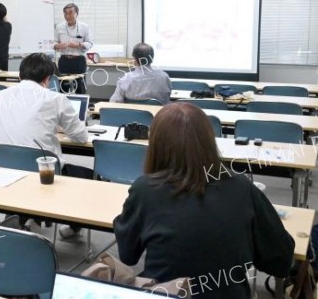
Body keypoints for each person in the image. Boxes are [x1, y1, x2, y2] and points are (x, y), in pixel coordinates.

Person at [113, 102, 294, 298]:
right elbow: (281, 260)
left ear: (156, 144)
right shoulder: (242, 187)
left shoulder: (144, 190)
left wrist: (124, 219)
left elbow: (128, 255)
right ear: (209, 140)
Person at [0, 53, 88, 237]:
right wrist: (59, 128)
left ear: (20, 75)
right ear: (47, 79)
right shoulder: (55, 99)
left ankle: (25, 219)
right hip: (45, 174)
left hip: (6, 173)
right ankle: (72, 226)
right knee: (92, 178)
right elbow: (81, 137)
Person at [54, 3, 93, 94]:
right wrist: (58, 46)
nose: (68, 15)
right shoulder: (59, 27)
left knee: (80, 87)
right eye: (65, 13)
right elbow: (53, 43)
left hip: (79, 60)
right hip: (64, 60)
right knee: (63, 87)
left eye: (71, 13)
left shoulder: (85, 27)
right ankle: (63, 107)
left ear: (76, 14)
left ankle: (81, 106)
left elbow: (90, 43)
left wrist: (79, 45)